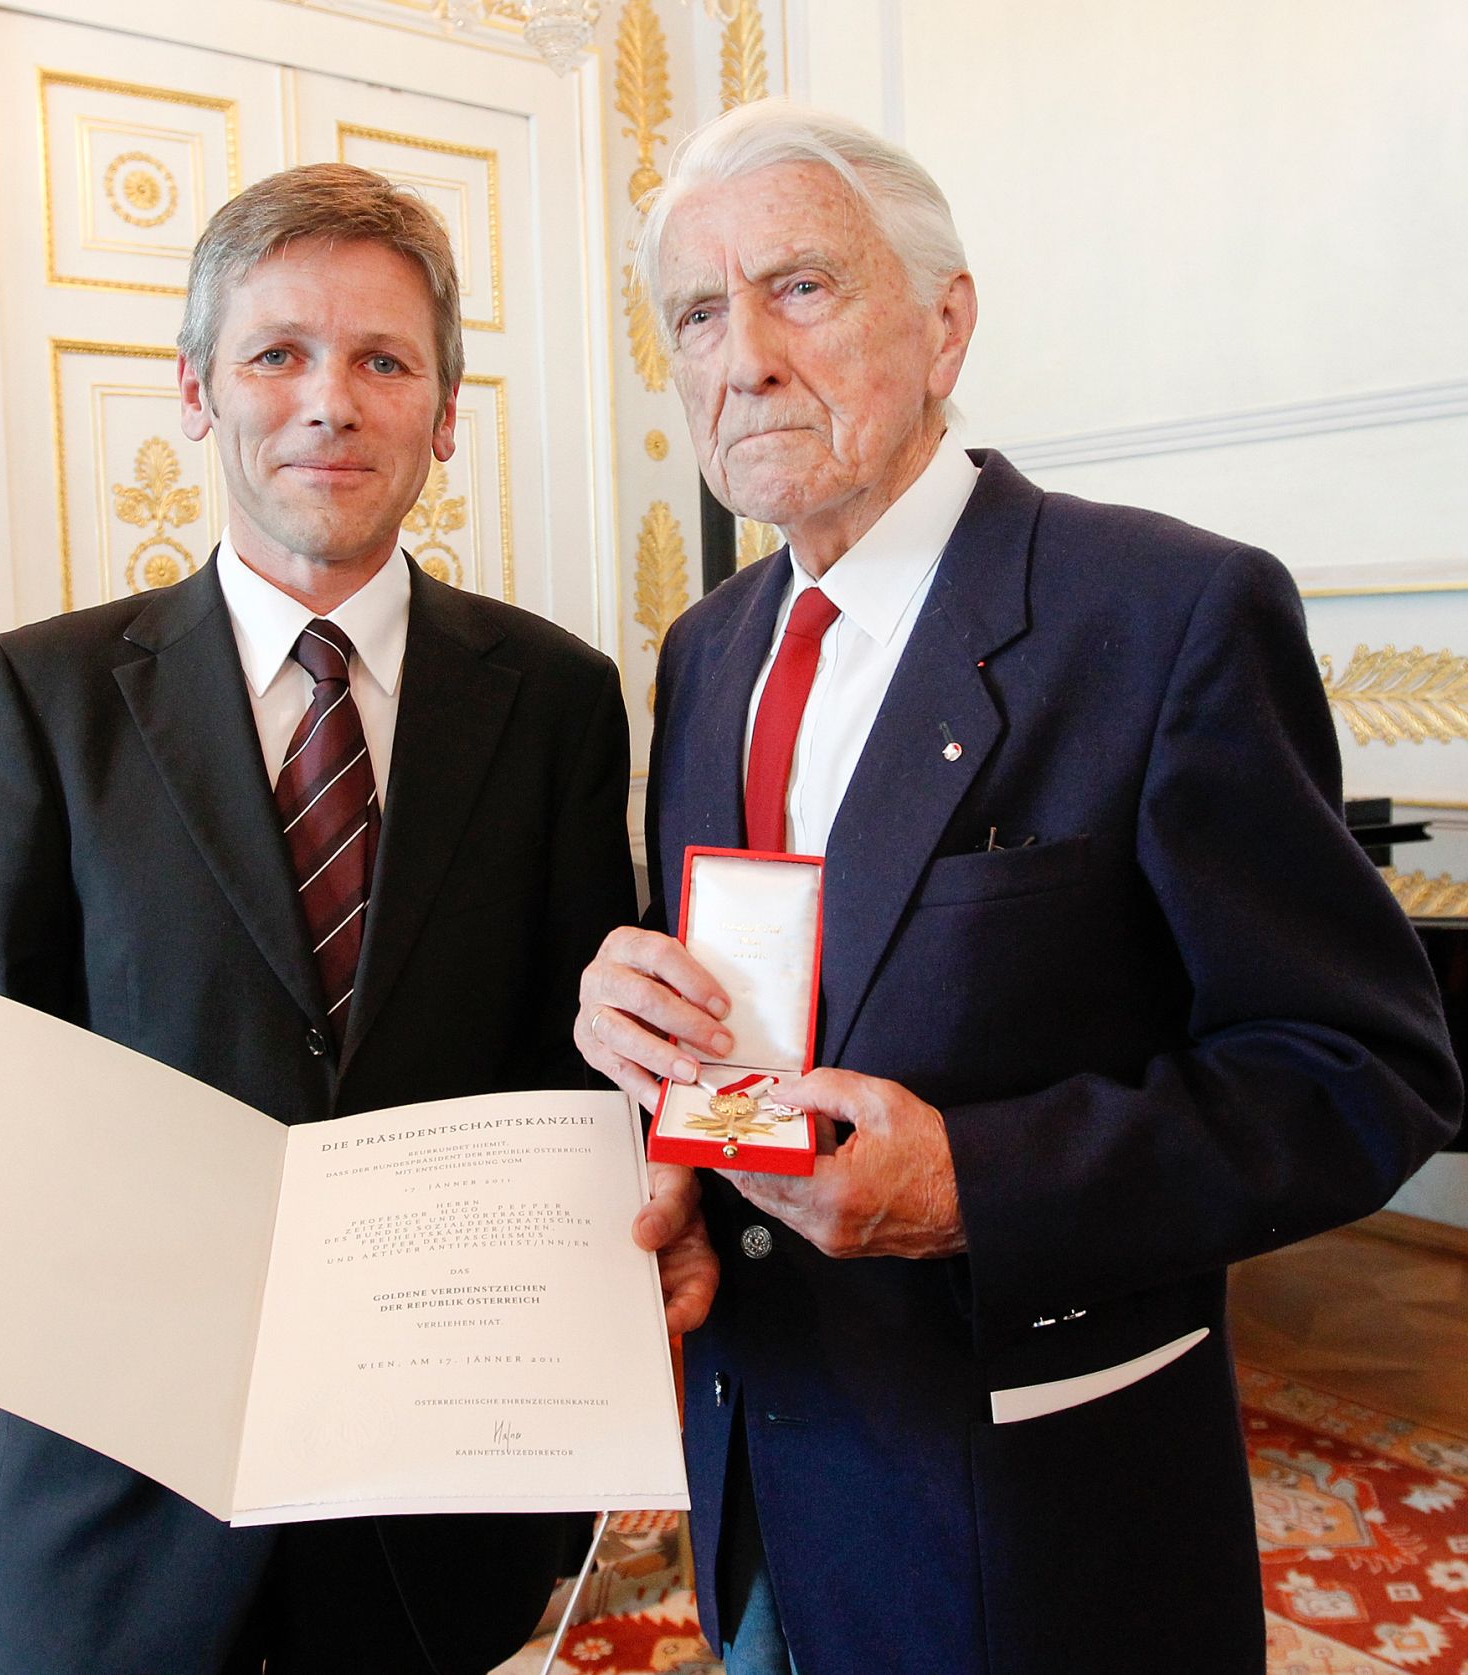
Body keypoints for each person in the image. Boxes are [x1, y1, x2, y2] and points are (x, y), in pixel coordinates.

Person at [576, 100, 1463, 1675]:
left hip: (1034, 1514)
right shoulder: (705, 650)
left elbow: (1360, 1073)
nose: (745, 357)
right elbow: (774, 1020)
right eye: (700, 313)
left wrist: (971, 1181)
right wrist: (652, 1077)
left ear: (945, 320)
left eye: (800, 287)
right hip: (759, 1480)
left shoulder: (1166, 608)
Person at [0, 162, 637, 1674]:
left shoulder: (556, 696)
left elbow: (578, 1072)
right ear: (195, 389)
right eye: (277, 352)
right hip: (129, 1496)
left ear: (444, 409)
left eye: (383, 360)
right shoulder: (48, 693)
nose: (329, 402)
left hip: (440, 1498)